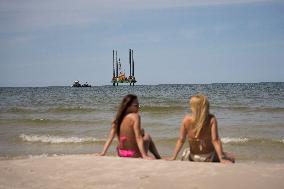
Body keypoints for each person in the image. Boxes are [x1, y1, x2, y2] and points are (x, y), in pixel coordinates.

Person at [169, 94, 235, 163]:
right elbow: (215, 140)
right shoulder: (211, 119)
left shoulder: (186, 120)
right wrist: (221, 159)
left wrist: (173, 157)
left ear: (193, 107)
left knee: (188, 150)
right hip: (209, 157)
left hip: (193, 157)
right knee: (231, 156)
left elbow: (181, 140)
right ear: (205, 107)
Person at [98, 94, 161, 160]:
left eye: (139, 105)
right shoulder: (135, 117)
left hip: (121, 153)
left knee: (142, 131)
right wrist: (144, 155)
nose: (138, 107)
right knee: (147, 136)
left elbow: (110, 138)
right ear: (127, 106)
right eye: (136, 105)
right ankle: (158, 157)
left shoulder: (117, 119)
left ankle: (157, 157)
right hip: (133, 154)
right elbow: (138, 137)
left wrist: (103, 153)